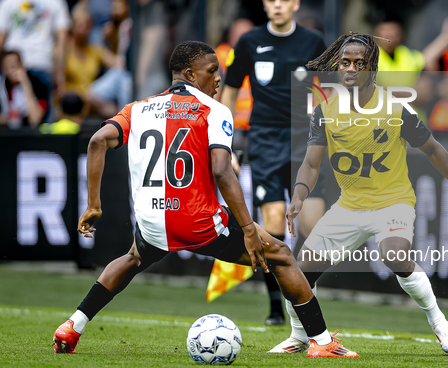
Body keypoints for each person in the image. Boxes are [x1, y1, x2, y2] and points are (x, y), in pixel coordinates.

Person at [52, 41, 359, 359]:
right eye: (212, 71)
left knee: (133, 259)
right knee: (281, 254)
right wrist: (248, 229)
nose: (218, 79)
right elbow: (223, 172)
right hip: (199, 222)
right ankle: (321, 342)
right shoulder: (213, 111)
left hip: (153, 220)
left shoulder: (138, 109)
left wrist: (93, 205)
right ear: (189, 74)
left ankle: (72, 326)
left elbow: (98, 140)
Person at [269, 33, 448, 354]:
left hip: (393, 201)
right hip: (350, 206)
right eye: (345, 62)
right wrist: (299, 195)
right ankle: (299, 336)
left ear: (372, 68)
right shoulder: (325, 110)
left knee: (395, 254)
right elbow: (311, 164)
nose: (351, 69)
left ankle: (440, 322)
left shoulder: (395, 107)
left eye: (359, 63)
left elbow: (434, 149)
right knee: (299, 271)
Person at [220, 0, 328, 326]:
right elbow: (231, 92)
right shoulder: (250, 42)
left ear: (296, 2)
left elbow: (329, 91)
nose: (278, 4)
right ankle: (274, 309)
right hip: (265, 142)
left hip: (305, 144)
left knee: (316, 226)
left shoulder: (313, 42)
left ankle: (302, 289)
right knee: (272, 225)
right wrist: (227, 142)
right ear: (265, 3)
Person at [0, 0, 71, 105]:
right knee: (43, 119)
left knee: (13, 118)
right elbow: (62, 42)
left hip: (12, 68)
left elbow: (1, 39)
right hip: (42, 63)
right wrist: (60, 76)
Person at [0, 50, 48, 128]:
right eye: (8, 67)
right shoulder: (3, 87)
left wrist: (25, 84)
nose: (13, 71)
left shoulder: (37, 83)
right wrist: (8, 118)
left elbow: (35, 119)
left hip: (29, 133)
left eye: (15, 66)